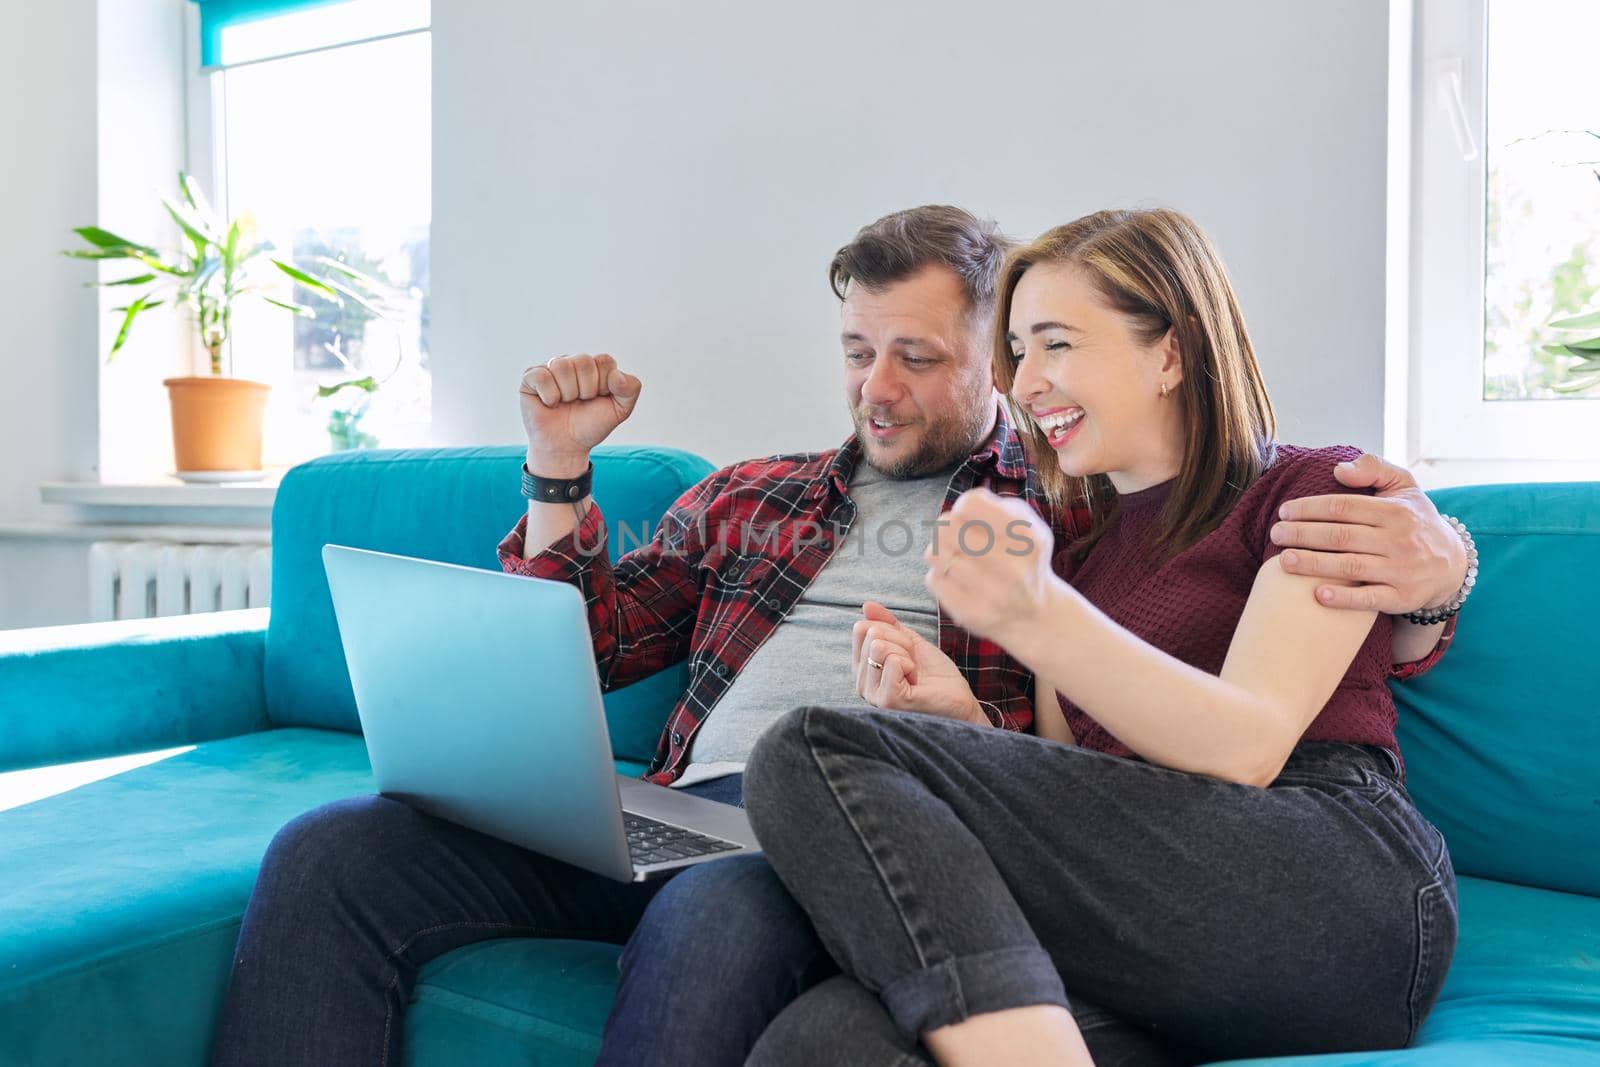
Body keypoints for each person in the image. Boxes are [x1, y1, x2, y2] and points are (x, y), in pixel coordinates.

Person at [208, 207, 1469, 1066]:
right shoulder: (781, 496)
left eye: (926, 355)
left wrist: (1439, 572)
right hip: (732, 816)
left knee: (799, 776)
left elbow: (1271, 707)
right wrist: (554, 480)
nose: (881, 382)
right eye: (860, 350)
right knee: (337, 851)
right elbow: (1055, 767)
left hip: (863, 846)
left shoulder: (1049, 514)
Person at [735, 207, 1461, 1066]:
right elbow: (1078, 785)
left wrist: (1036, 614)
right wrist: (961, 722)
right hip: (1160, 934)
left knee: (810, 746)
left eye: (1057, 344)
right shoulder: (1077, 545)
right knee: (822, 1040)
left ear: (1172, 352)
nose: (1023, 381)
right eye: (1019, 350)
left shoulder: (1310, 491)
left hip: (1328, 888)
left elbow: (1248, 744)